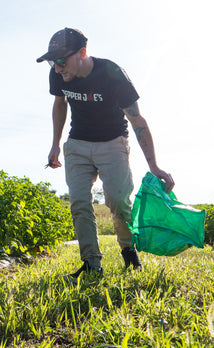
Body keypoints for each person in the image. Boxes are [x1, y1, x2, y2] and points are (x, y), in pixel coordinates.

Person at [36, 27, 174, 278]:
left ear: (82, 53)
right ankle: (91, 264)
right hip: (77, 144)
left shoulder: (112, 74)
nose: (56, 68)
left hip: (113, 143)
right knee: (78, 203)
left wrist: (154, 166)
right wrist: (55, 144)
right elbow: (59, 103)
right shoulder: (57, 75)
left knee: (118, 201)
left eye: (60, 61)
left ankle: (129, 252)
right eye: (51, 63)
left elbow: (137, 120)